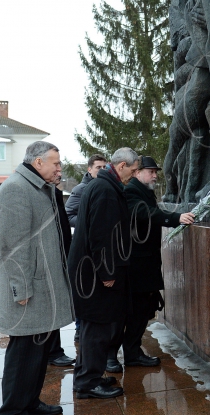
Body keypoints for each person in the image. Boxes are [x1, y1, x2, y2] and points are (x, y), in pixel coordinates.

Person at [0, 141, 74, 415]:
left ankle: (30, 402)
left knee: (38, 353)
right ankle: (12, 414)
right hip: (26, 292)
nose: (60, 168)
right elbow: (14, 248)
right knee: (23, 354)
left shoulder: (39, 188)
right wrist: (20, 290)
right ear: (37, 163)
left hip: (42, 287)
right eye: (56, 163)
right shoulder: (16, 190)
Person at [106, 156, 195, 372]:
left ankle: (133, 352)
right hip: (136, 264)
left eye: (156, 172)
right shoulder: (131, 191)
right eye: (151, 171)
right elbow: (144, 213)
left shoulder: (143, 190)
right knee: (128, 312)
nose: (155, 175)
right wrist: (175, 218)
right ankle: (111, 355)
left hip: (146, 263)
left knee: (141, 311)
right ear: (137, 172)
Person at [66, 147, 140, 399]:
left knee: (92, 328)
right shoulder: (106, 190)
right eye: (133, 169)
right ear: (121, 167)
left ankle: (88, 376)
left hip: (89, 271)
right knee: (96, 329)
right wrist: (107, 272)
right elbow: (102, 236)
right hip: (95, 275)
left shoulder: (103, 185)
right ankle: (88, 383)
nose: (135, 173)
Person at [64, 153, 107, 341]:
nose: (102, 170)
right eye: (98, 167)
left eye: (104, 167)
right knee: (84, 289)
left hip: (99, 246)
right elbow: (68, 215)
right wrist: (87, 225)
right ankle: (80, 329)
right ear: (89, 169)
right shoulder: (81, 189)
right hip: (84, 248)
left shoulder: (106, 187)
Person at [44, 168, 78, 367]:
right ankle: (52, 352)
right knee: (50, 306)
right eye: (55, 167)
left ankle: (54, 350)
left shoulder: (54, 192)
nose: (59, 172)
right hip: (51, 258)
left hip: (61, 255)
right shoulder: (44, 194)